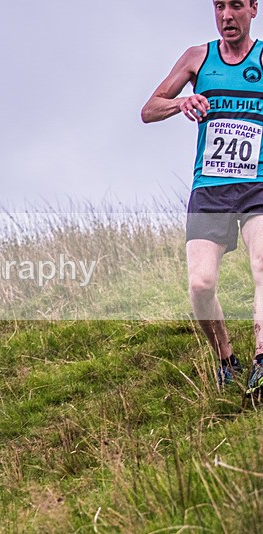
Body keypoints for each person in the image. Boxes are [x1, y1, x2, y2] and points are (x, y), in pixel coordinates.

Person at [141, 0, 263, 397]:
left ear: (253, 10)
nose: (227, 15)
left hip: (258, 183)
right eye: (219, 6)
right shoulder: (198, 58)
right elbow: (149, 109)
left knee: (262, 265)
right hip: (210, 187)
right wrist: (181, 103)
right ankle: (227, 359)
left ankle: (262, 362)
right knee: (200, 284)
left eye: (236, 6)